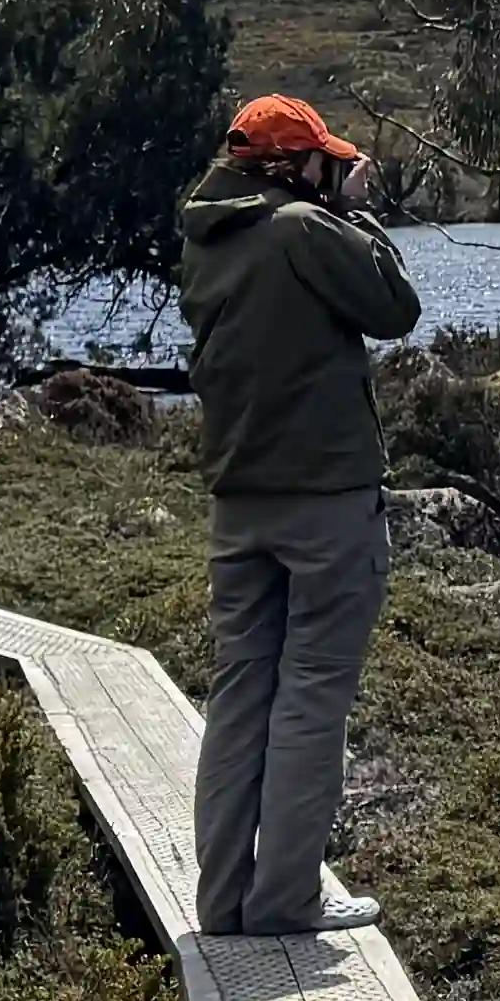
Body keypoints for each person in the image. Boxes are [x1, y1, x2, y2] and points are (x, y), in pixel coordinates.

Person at [175, 93, 422, 938]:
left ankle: (223, 901)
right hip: (325, 503)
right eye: (323, 159)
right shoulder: (302, 229)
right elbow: (396, 307)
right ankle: (285, 901)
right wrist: (354, 214)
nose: (335, 169)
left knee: (241, 695)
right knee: (313, 695)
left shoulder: (206, 239)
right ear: (290, 167)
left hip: (238, 503)